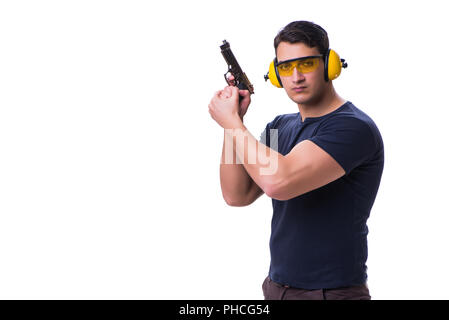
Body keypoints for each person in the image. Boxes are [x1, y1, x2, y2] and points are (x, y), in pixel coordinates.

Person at [208, 21, 384, 300]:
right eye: (286, 67)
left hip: (330, 294)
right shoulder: (280, 126)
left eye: (307, 64)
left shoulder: (353, 128)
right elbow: (236, 194)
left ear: (330, 65)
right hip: (277, 288)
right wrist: (235, 122)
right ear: (276, 74)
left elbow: (278, 182)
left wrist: (231, 123)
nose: (296, 76)